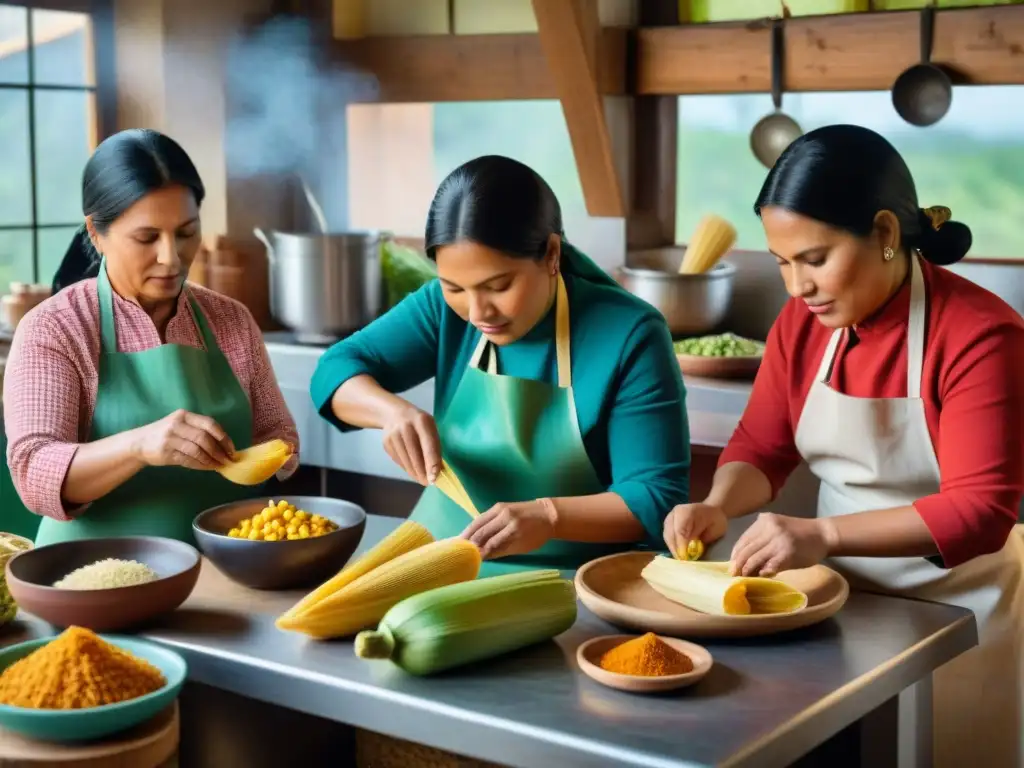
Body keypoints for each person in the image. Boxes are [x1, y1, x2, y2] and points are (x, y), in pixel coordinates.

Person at [664, 124, 1024, 767]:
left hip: (961, 614)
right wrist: (719, 504)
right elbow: (762, 444)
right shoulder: (801, 326)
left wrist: (823, 535)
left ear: (885, 234)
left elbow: (981, 511)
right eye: (781, 262)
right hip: (837, 606)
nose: (796, 287)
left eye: (814, 258)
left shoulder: (980, 335)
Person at [311, 155, 690, 576]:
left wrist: (548, 517)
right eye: (455, 287)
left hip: (577, 582)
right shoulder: (442, 309)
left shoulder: (630, 334)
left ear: (551, 254)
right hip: (441, 560)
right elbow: (334, 369)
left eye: (499, 286)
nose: (477, 312)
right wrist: (390, 412)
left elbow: (656, 498)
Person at [2, 128, 299, 546]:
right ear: (95, 233)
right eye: (146, 238)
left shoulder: (230, 320)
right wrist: (140, 445)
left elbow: (279, 435)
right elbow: (34, 474)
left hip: (225, 572)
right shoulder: (55, 328)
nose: (171, 258)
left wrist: (273, 455)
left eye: (185, 232)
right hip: (92, 577)